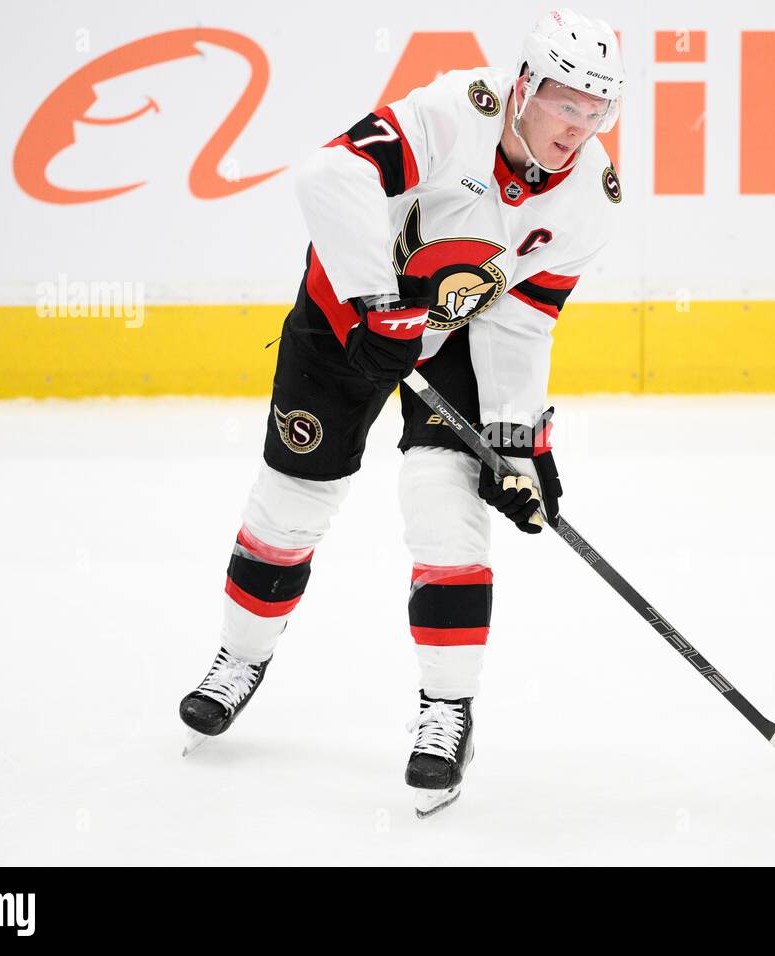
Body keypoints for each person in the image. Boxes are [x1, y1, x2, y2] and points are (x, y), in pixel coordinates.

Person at [179, 8, 624, 818]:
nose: (580, 127)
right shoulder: (454, 114)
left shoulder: (591, 198)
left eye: (598, 111)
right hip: (344, 320)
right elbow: (328, 176)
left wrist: (518, 440)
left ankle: (446, 712)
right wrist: (375, 303)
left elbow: (521, 321)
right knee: (292, 504)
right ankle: (239, 660)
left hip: (451, 338)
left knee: (446, 513)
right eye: (566, 102)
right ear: (524, 86)